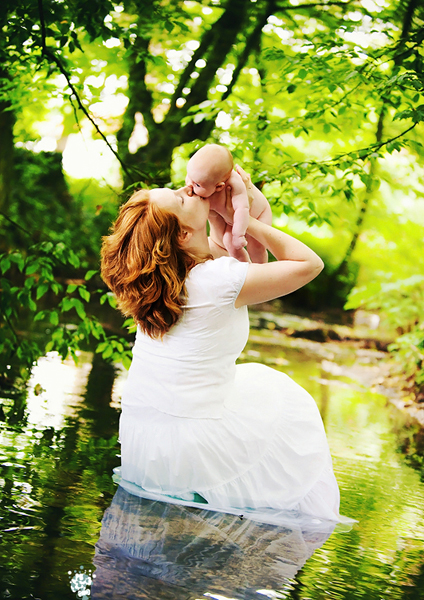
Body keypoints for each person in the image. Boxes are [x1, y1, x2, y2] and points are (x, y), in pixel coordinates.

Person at [100, 170, 341, 522]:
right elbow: (310, 264)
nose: (187, 188)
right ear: (182, 234)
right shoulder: (216, 280)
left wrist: (220, 216)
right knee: (283, 397)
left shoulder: (158, 283)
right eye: (180, 198)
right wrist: (243, 222)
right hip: (190, 442)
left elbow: (229, 257)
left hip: (145, 443)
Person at [186, 144, 272, 263]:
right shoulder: (204, 180)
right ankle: (246, 267)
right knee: (230, 243)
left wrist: (239, 234)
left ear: (219, 186)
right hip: (231, 221)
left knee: (256, 246)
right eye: (188, 176)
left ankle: (262, 268)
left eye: (197, 184)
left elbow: (242, 208)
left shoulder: (235, 184)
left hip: (258, 214)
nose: (189, 184)